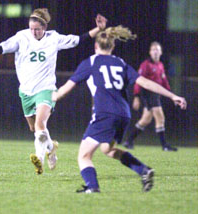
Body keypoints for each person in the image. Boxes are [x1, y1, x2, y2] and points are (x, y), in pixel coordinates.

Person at [0, 8, 107, 174]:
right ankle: (51, 149)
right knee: (35, 130)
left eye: (37, 29)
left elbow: (79, 39)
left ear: (45, 28)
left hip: (46, 89)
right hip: (26, 91)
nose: (34, 32)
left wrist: (98, 29)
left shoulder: (54, 38)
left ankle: (39, 160)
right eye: (31, 28)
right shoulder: (21, 37)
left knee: (40, 124)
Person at [52, 26, 186, 193]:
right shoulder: (120, 63)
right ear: (112, 46)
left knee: (84, 156)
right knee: (107, 149)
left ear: (96, 46)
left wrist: (52, 97)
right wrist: (172, 95)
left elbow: (65, 89)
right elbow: (144, 82)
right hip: (124, 115)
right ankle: (143, 170)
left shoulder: (90, 63)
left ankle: (92, 188)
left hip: (105, 114)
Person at [123, 42, 177, 151]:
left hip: (156, 94)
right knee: (160, 117)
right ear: (150, 52)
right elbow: (138, 81)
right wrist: (137, 96)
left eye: (157, 49)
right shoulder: (145, 65)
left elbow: (164, 81)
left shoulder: (160, 65)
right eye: (153, 49)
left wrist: (172, 95)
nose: (155, 51)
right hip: (148, 93)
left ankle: (129, 141)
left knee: (145, 120)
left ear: (161, 52)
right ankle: (164, 145)